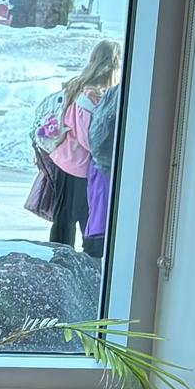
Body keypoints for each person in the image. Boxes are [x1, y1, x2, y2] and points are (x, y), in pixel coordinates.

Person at [45, 39, 121, 253]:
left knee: (68, 221)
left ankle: (63, 260)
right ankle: (68, 261)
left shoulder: (83, 86)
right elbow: (90, 139)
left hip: (68, 162)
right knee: (77, 221)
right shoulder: (90, 94)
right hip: (76, 167)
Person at [84, 71, 122, 260]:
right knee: (103, 216)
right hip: (107, 166)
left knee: (98, 214)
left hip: (99, 163)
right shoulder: (121, 95)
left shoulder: (113, 94)